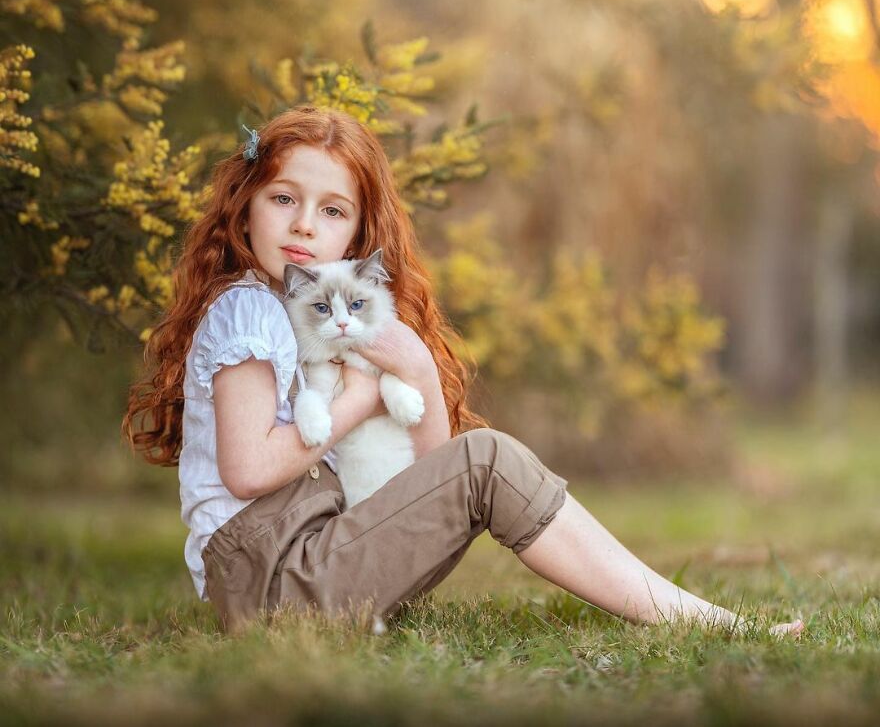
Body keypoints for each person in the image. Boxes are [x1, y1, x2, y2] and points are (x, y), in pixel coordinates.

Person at [122, 105, 805, 640]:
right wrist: (361, 398)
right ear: (245, 203)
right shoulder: (247, 310)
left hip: (302, 560)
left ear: (356, 239)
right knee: (487, 460)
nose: (303, 225)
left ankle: (677, 607)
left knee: (479, 466)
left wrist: (416, 365)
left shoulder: (299, 313)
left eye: (330, 211)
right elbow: (245, 471)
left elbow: (430, 471)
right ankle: (688, 615)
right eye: (283, 199)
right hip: (271, 580)